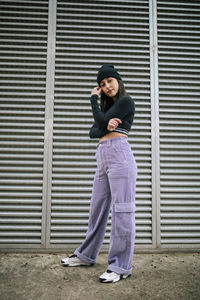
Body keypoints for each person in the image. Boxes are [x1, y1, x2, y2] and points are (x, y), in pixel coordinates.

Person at [61, 64, 137, 283]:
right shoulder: (108, 110)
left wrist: (93, 102)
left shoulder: (126, 101)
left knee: (122, 211)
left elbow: (99, 124)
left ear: (118, 81)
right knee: (97, 209)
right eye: (102, 85)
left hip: (120, 156)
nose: (106, 87)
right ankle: (86, 255)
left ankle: (120, 266)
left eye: (109, 81)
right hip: (103, 157)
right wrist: (105, 124)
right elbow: (93, 131)